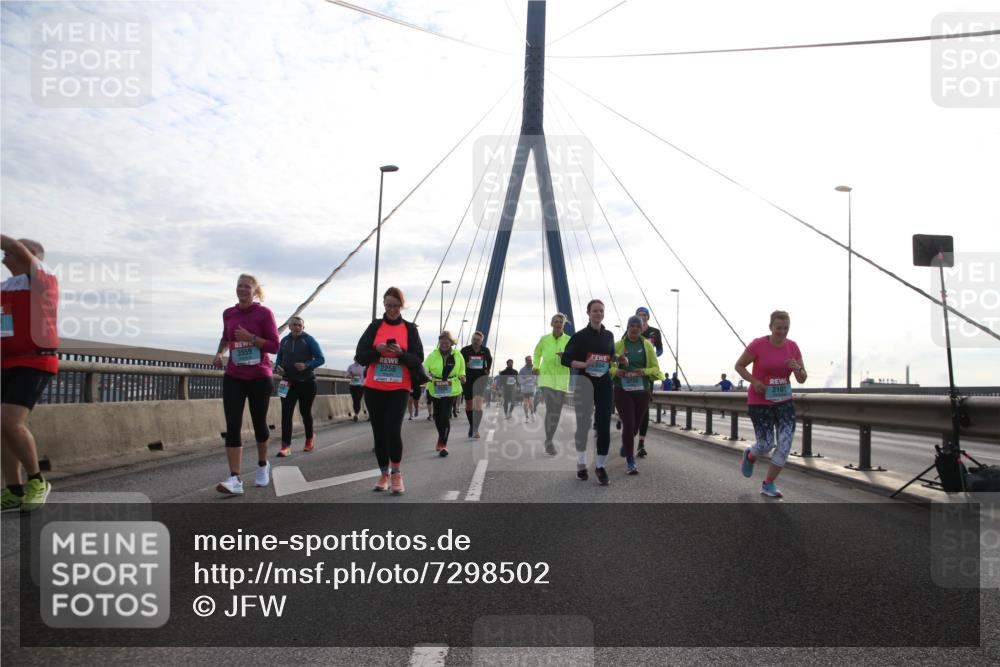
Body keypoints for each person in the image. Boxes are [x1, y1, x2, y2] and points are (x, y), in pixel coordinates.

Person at [1, 235, 58, 512]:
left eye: (12, 250)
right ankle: (13, 490)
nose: (4, 254)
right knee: (1, 427)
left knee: (9, 422)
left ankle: (37, 481)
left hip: (35, 361)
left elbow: (13, 246)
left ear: (31, 253)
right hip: (6, 362)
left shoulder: (42, 278)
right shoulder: (5, 287)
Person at [213, 274, 280, 495]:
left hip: (259, 375)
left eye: (247, 287)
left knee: (259, 423)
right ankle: (235, 478)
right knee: (233, 425)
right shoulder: (228, 313)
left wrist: (251, 338)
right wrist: (219, 353)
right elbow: (226, 337)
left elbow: (274, 346)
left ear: (255, 291)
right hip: (234, 375)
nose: (242, 289)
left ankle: (262, 464)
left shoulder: (264, 313)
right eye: (239, 286)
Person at [354, 287, 425, 495]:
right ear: (384, 305)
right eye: (388, 306)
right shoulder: (375, 326)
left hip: (399, 387)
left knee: (393, 430)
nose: (392, 310)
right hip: (374, 387)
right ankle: (384, 474)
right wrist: (376, 350)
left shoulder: (410, 329)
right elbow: (360, 356)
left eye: (396, 306)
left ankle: (396, 473)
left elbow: (418, 358)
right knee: (379, 432)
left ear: (401, 306)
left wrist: (401, 353)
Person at [734, 310, 807, 498]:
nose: (782, 332)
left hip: (784, 402)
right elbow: (739, 366)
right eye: (778, 328)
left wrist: (797, 368)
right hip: (760, 401)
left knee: (784, 444)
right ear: (770, 327)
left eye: (786, 328)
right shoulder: (758, 344)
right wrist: (754, 381)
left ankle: (768, 483)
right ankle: (750, 455)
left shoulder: (793, 347)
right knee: (766, 444)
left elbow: (802, 378)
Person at [562, 299, 616, 485]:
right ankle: (582, 463)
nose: (598, 314)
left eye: (601, 311)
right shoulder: (579, 336)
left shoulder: (609, 335)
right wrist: (584, 364)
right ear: (588, 313)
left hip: (604, 384)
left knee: (604, 426)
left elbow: (611, 355)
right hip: (585, 383)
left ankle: (600, 467)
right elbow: (565, 359)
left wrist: (619, 359)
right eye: (595, 311)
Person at [612, 316, 664, 474]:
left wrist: (644, 371)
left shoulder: (647, 346)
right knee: (628, 424)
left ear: (641, 329)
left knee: (635, 426)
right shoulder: (618, 345)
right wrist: (616, 371)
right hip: (622, 390)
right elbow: (608, 365)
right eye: (632, 325)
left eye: (637, 326)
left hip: (642, 390)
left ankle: (626, 443)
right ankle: (630, 461)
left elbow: (655, 368)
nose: (634, 328)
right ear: (627, 327)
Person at [274, 316, 325, 456]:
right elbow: (279, 358)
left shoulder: (309, 340)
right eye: (294, 325)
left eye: (299, 325)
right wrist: (278, 367)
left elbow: (321, 359)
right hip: (288, 382)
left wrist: (306, 365)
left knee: (305, 412)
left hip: (307, 382)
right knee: (286, 414)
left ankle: (309, 439)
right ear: (289, 327)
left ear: (303, 327)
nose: (297, 327)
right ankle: (285, 446)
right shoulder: (284, 341)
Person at [533, 313, 571, 455]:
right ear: (551, 324)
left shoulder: (569, 340)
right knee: (551, 408)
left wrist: (566, 357)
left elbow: (574, 356)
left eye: (561, 321)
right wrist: (535, 366)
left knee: (556, 412)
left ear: (563, 324)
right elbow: (537, 353)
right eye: (556, 321)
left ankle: (549, 439)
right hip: (546, 378)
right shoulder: (544, 339)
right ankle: (549, 442)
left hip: (562, 379)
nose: (558, 323)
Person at [425, 331, 466, 457]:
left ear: (451, 343)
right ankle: (440, 437)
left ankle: (443, 444)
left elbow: (462, 369)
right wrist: (427, 375)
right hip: (436, 387)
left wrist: (462, 376)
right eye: (442, 342)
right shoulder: (432, 355)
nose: (444, 344)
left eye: (446, 342)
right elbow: (425, 369)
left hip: (451, 387)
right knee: (437, 416)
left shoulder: (458, 355)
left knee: (445, 415)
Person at [633, 306, 664, 457]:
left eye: (645, 314)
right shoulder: (631, 329)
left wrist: (653, 354)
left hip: (647, 375)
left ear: (648, 317)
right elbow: (622, 347)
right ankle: (625, 422)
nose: (642, 316)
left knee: (644, 409)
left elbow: (660, 350)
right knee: (631, 408)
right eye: (639, 314)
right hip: (632, 374)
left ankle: (641, 444)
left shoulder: (655, 332)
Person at [460, 331, 493, 439]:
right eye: (474, 339)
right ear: (471, 339)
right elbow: (459, 363)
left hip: (480, 379)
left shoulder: (485, 350)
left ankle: (475, 429)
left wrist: (487, 369)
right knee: (469, 405)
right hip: (468, 379)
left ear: (481, 341)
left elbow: (490, 359)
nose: (475, 341)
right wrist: (465, 366)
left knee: (478, 404)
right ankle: (472, 425)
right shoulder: (465, 350)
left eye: (478, 340)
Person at [518, 355, 537, 423]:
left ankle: (532, 414)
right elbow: (519, 379)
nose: (530, 361)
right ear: (526, 361)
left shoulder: (534, 368)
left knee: (531, 402)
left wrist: (536, 382)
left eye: (531, 360)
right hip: (525, 388)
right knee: (525, 403)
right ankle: (527, 417)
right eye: (529, 360)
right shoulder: (522, 370)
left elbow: (538, 376)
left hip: (532, 388)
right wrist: (525, 380)